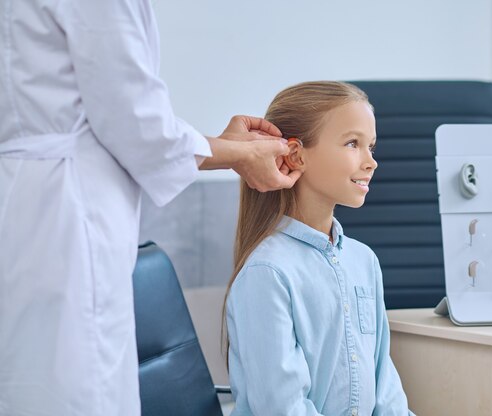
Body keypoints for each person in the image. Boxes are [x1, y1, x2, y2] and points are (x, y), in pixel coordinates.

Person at [0, 1, 300, 415]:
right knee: (74, 385)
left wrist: (225, 147)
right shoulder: (268, 276)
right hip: (65, 219)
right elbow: (141, 129)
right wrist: (235, 154)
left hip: (30, 205)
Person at [225, 81, 415, 415]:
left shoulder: (363, 260)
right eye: (353, 143)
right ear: (296, 155)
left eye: (371, 146)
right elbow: (282, 407)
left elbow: (385, 387)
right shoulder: (268, 273)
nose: (371, 162)